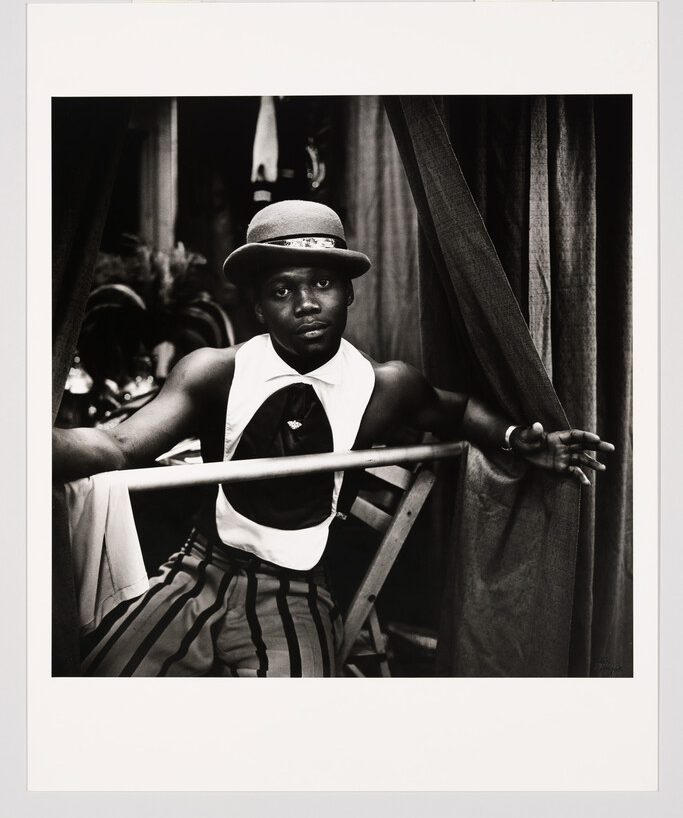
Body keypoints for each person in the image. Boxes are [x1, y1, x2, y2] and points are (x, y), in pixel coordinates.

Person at [53, 200, 614, 677]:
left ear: (349, 293)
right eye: (281, 290)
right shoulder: (212, 372)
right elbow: (120, 446)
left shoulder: (386, 387)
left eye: (322, 283)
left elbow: (459, 408)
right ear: (258, 305)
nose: (304, 304)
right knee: (104, 681)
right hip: (199, 567)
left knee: (298, 734)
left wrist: (518, 437)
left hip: (296, 590)